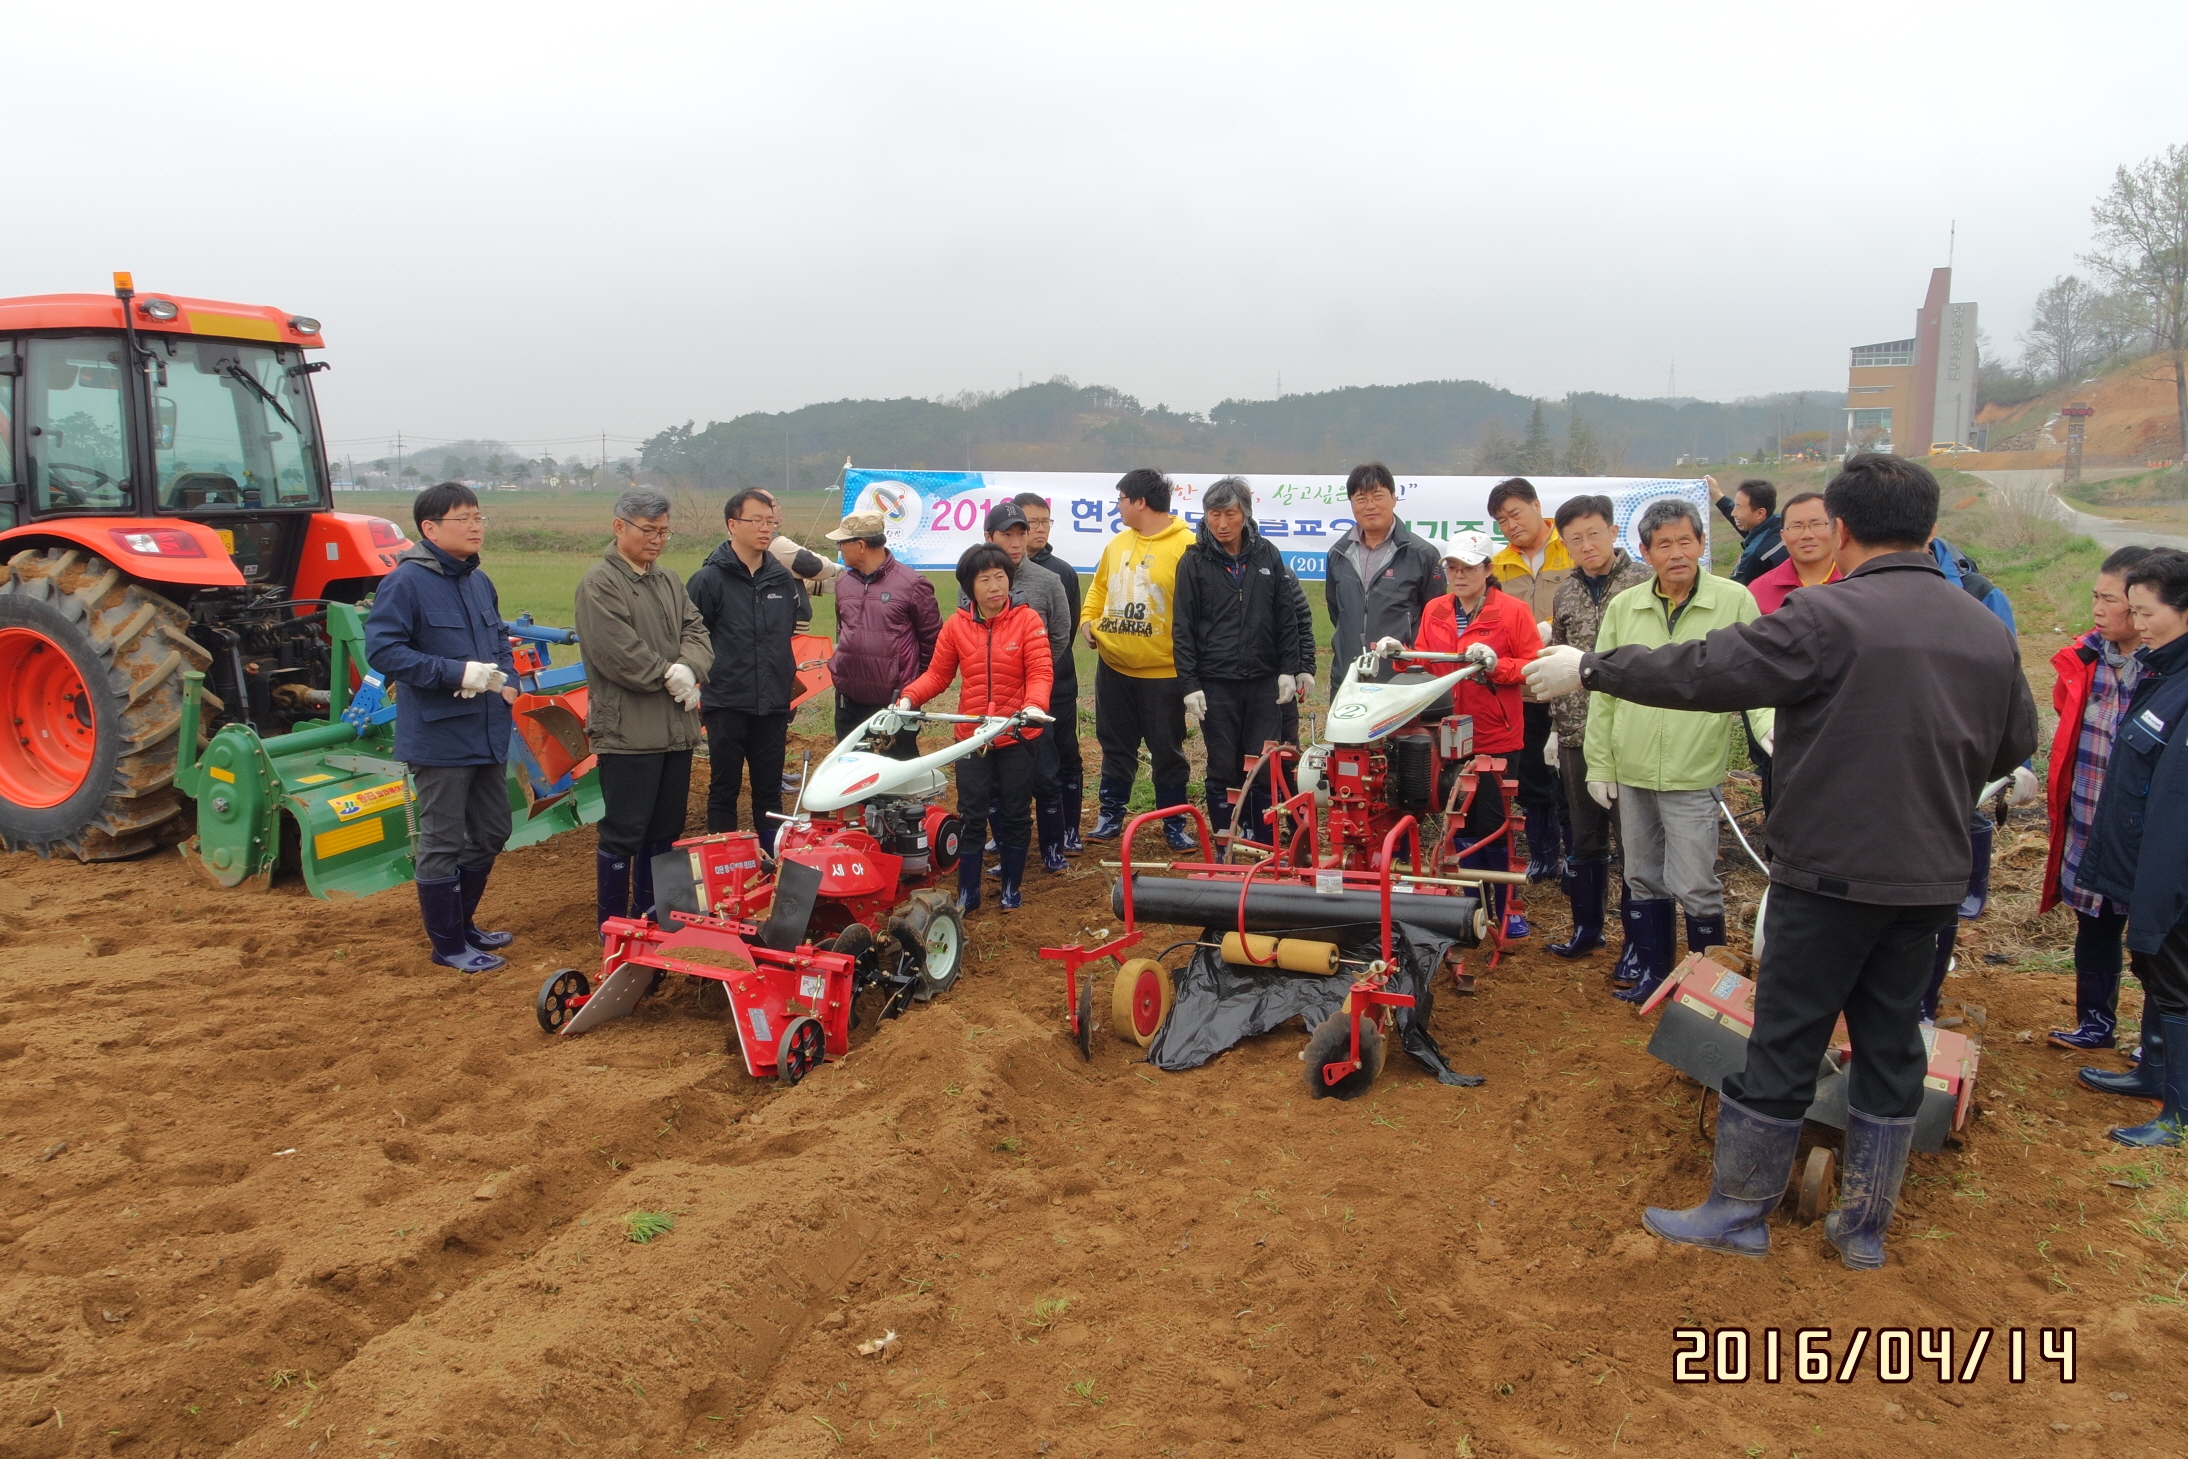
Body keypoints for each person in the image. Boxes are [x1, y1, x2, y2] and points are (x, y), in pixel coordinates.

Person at [1527, 452, 2037, 1270]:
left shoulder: (1827, 615)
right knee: (1893, 1037)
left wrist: (1591, 667)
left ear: (1839, 529)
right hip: (1931, 877)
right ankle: (1864, 1226)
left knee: (1788, 1034)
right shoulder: (1982, 625)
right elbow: (2015, 742)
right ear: (1931, 529)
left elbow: (1708, 667)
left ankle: (1739, 1209)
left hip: (1830, 871)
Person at [1583, 498, 1771, 1002]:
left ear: (1702, 545)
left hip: (1694, 769)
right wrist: (1600, 763)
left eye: (1686, 541)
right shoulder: (1626, 607)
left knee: (1694, 881)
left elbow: (1760, 677)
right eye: (1663, 544)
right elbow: (1602, 691)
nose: (1676, 553)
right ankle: (1654, 973)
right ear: (1646, 552)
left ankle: (1708, 986)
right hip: (1632, 767)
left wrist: (1769, 727)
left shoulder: (1733, 601)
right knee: (1643, 876)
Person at [363, 482, 522, 973]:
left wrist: (508, 678)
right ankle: (447, 944)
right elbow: (385, 652)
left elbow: (498, 640)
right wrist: (454, 672)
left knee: (493, 828)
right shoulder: (405, 582)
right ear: (430, 528)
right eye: (464, 518)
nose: (476, 525)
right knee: (442, 841)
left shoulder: (479, 582)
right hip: (439, 735)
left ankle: (462, 922)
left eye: (479, 516)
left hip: (487, 729)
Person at [2071, 548, 2188, 1145]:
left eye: (2147, 612)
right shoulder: (2163, 674)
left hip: (2168, 874)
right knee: (2157, 973)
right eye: (2131, 610)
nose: (2136, 624)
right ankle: (2154, 1072)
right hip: (2139, 863)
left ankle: (2179, 1115)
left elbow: (2174, 805)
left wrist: (2158, 888)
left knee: (2177, 981)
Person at [576, 488, 714, 929]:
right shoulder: (600, 583)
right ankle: (614, 926)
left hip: (675, 729)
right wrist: (666, 674)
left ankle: (655, 918)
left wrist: (690, 668)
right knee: (624, 831)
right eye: (649, 530)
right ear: (620, 527)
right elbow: (616, 652)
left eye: (664, 531)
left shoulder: (668, 580)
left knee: (665, 830)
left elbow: (698, 630)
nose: (657, 539)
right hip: (629, 734)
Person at [896, 543, 1055, 912]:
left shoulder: (1028, 620)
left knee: (1016, 811)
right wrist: (909, 698)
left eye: (1001, 576)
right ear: (970, 587)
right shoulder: (956, 626)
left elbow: (1041, 672)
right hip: (972, 735)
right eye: (985, 579)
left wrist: (1033, 706)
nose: (995, 586)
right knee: (971, 813)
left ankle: (1011, 888)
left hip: (1017, 733)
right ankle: (969, 892)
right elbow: (937, 675)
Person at [2043, 546, 2154, 1051]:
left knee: (2159, 942)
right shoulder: (2085, 660)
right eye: (2095, 597)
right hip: (2089, 817)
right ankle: (2095, 1023)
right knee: (2095, 923)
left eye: (2111, 600)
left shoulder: (2165, 670)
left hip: (2148, 829)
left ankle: (2158, 1041)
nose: (2099, 609)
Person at [1402, 530, 1537, 937]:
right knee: (1456, 818)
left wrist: (1496, 666)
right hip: (1448, 732)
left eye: (1468, 568)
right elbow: (1425, 661)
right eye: (1453, 567)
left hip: (1495, 734)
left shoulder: (1512, 612)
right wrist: (1402, 656)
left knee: (1492, 822)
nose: (1459, 575)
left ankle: (1505, 907)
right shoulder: (1436, 610)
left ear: (1487, 570)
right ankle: (1467, 906)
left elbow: (1530, 665)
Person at [1172, 477, 1308, 848]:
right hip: (1215, 682)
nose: (1222, 524)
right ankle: (1226, 840)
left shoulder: (1267, 555)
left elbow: (1286, 616)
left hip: (1263, 681)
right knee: (1223, 766)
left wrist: (1288, 668)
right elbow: (1182, 626)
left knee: (1262, 764)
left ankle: (1262, 840)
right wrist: (1190, 684)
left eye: (1229, 514)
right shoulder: (1194, 561)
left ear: (1245, 513)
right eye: (1214, 514)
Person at [1542, 494, 1651, 959]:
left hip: (1633, 736)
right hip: (1576, 736)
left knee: (1634, 844)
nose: (1586, 546)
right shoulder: (1565, 593)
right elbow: (1559, 666)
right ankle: (1587, 929)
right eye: (1574, 539)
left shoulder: (1645, 582)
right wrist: (1553, 728)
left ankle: (1637, 942)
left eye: (1593, 534)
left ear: (1611, 531)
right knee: (1583, 838)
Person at [1079, 468, 1195, 848]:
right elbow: (1098, 588)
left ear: (1140, 502)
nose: (1118, 506)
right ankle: (1111, 815)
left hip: (1163, 673)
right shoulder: (1117, 544)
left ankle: (1174, 822)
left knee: (1167, 749)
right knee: (1114, 743)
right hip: (1113, 667)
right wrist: (1087, 620)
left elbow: (1198, 611)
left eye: (1121, 499)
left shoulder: (1187, 547)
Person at [684, 489, 802, 852]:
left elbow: (785, 637)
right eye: (757, 521)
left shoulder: (780, 579)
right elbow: (691, 637)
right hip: (726, 703)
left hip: (772, 705)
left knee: (769, 792)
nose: (766, 529)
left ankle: (771, 860)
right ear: (732, 525)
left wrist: (786, 690)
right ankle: (725, 858)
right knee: (724, 788)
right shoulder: (708, 580)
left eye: (771, 521)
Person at [1488, 477, 1576, 882]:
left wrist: (1549, 628)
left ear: (1536, 506)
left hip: (1573, 681)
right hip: (1524, 685)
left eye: (1515, 513)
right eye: (1502, 520)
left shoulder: (1571, 547)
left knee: (1575, 772)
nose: (1510, 524)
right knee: (1533, 774)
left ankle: (1580, 855)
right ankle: (1544, 856)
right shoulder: (1501, 563)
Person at [978, 501, 1073, 871]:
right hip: (990, 698)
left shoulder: (1048, 581)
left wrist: (1033, 669)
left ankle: (1053, 848)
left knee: (1046, 772)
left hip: (1034, 697)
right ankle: (1004, 846)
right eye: (1007, 534)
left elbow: (1061, 634)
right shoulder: (974, 579)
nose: (1016, 542)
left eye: (1021, 533)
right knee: (995, 779)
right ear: (990, 537)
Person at [825, 508, 940, 762]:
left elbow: (933, 643)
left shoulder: (912, 584)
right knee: (850, 768)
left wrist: (913, 689)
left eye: (842, 543)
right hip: (848, 699)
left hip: (894, 703)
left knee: (895, 772)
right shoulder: (844, 583)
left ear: (861, 545)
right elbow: (843, 631)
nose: (839, 548)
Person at [1325, 462, 1443, 692]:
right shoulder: (1338, 553)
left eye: (1378, 496)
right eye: (1361, 499)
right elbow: (1337, 611)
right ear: (1351, 504)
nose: (1370, 506)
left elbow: (1434, 617)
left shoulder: (1422, 554)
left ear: (1393, 498)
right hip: (1349, 675)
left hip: (1402, 676)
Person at [1017, 491, 1088, 851]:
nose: (1040, 529)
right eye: (1032, 523)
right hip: (1011, 690)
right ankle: (1015, 834)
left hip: (1057, 683)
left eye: (1046, 522)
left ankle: (1069, 830)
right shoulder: (995, 571)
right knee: (1016, 763)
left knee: (1064, 754)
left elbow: (1067, 629)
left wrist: (1043, 668)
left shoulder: (1061, 572)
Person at [1747, 491, 1841, 614]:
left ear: (1836, 530)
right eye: (1796, 527)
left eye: (1817, 524)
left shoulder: (1857, 581)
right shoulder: (1758, 591)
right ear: (1783, 536)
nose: (1807, 535)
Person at [1714, 476, 1787, 587]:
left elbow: (1734, 589)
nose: (1733, 513)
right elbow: (1752, 531)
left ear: (1760, 513)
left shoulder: (1755, 554)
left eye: (1739, 507)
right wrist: (1718, 496)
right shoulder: (1782, 523)